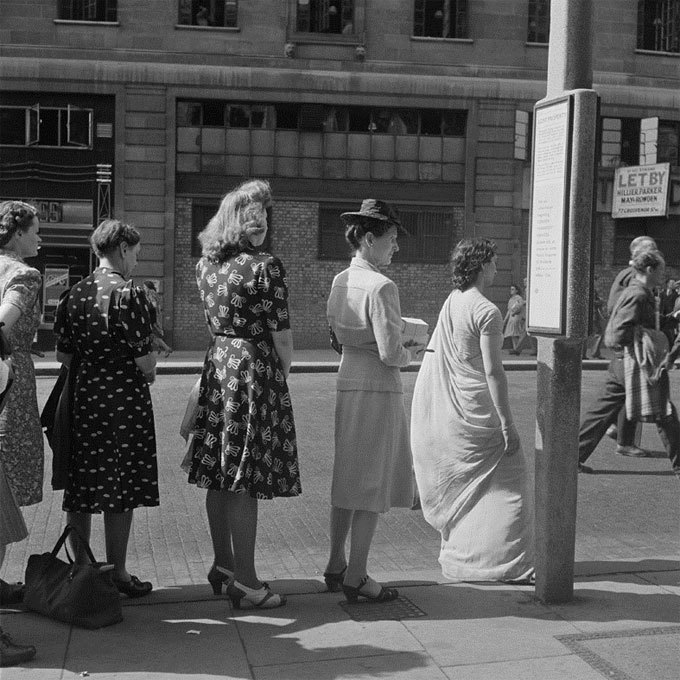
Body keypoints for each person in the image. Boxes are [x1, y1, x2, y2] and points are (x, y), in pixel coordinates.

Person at [186, 179, 299, 610]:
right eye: (256, 217)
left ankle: (224, 565)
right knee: (245, 476)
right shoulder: (265, 266)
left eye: (264, 216)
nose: (262, 223)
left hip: (219, 364)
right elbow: (283, 338)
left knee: (220, 470)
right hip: (254, 368)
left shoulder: (205, 266)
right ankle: (249, 583)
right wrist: (277, 378)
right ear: (240, 223)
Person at [410, 238, 534, 583]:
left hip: (458, 410)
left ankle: (463, 559)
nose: (496, 268)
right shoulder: (487, 311)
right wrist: (507, 423)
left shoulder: (453, 301)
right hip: (480, 408)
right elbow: (494, 372)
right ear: (482, 266)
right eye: (493, 262)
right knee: (512, 484)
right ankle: (508, 564)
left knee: (468, 488)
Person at [323, 199, 427, 603]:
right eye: (391, 240)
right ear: (369, 239)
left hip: (348, 380)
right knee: (371, 484)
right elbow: (390, 352)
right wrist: (413, 350)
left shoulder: (340, 280)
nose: (395, 248)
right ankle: (358, 575)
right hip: (379, 387)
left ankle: (336, 562)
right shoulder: (382, 287)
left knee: (347, 477)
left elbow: (337, 336)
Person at [54, 219, 159, 597]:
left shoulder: (75, 293)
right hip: (122, 401)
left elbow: (63, 354)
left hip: (84, 397)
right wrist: (145, 369)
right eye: (135, 254)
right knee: (122, 486)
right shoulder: (128, 294)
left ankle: (80, 571)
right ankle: (118, 573)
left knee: (81, 485)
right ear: (122, 250)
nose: (135, 262)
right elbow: (144, 361)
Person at [578, 249, 680, 476]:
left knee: (602, 411)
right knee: (665, 412)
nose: (664, 274)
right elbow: (618, 332)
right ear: (650, 269)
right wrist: (644, 339)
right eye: (661, 270)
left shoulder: (640, 291)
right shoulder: (639, 294)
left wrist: (670, 319)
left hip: (623, 363)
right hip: (636, 363)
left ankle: (573, 455)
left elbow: (642, 322)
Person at [0, 200, 41, 667]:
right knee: (3, 493)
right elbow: (4, 322)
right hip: (8, 382)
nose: (39, 238)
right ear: (15, 234)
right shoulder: (23, 276)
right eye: (34, 230)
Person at [603, 236, 658, 455]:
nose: (656, 255)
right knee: (629, 391)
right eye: (652, 250)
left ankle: (621, 435)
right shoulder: (633, 276)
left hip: (625, 340)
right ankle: (622, 439)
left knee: (620, 393)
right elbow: (619, 307)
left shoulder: (627, 275)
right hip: (628, 342)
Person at [141, 280, 173, 357]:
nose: (143, 288)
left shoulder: (151, 293)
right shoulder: (154, 293)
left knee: (153, 335)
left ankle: (166, 348)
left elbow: (154, 305)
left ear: (148, 287)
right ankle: (160, 348)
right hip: (154, 316)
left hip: (153, 317)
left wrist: (146, 307)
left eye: (144, 287)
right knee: (152, 335)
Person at [583, 278, 605, 360]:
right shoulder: (591, 290)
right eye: (597, 281)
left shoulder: (585, 288)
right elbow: (591, 302)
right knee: (599, 333)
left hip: (586, 315)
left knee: (585, 334)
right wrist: (600, 302)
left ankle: (582, 355)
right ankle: (595, 353)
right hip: (593, 315)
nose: (598, 283)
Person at [502, 284, 526, 355]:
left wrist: (514, 312)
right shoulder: (511, 299)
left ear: (516, 291)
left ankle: (517, 348)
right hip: (511, 318)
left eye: (513, 289)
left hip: (516, 317)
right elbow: (509, 311)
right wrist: (505, 320)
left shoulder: (518, 298)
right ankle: (516, 349)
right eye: (511, 289)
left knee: (515, 333)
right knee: (513, 334)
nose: (511, 291)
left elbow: (519, 306)